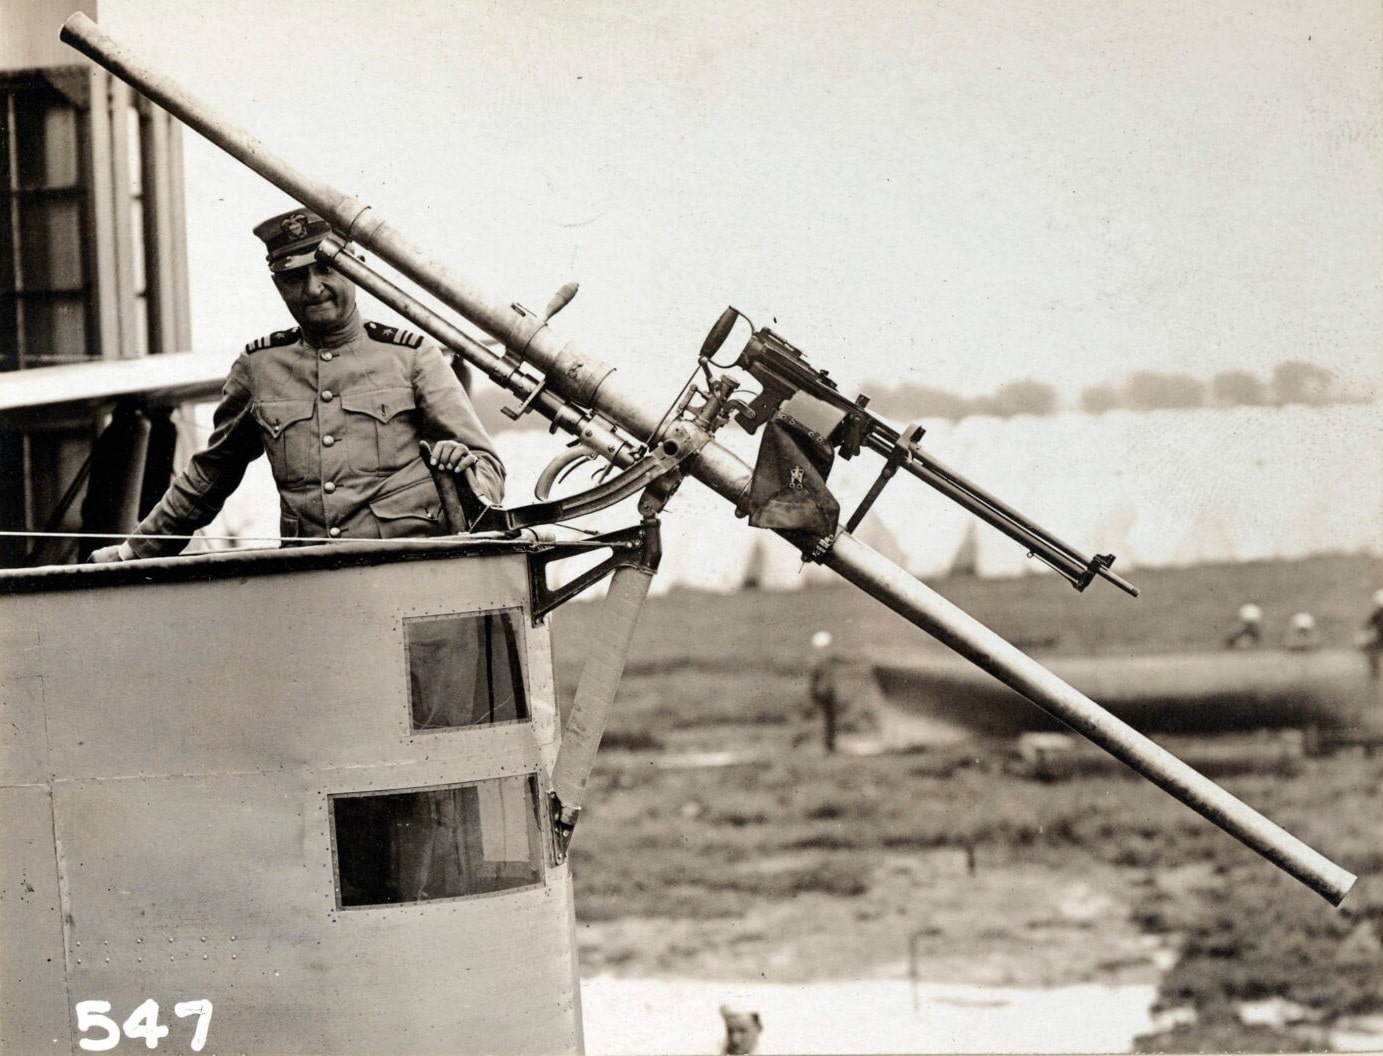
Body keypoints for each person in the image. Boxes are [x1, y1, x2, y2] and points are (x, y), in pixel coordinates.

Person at [91, 207, 503, 562]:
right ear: (276, 284)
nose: (313, 289)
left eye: (326, 269)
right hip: (310, 584)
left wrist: (462, 468)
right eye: (293, 277)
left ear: (354, 267)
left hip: (410, 576)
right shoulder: (259, 367)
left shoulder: (412, 357)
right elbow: (208, 478)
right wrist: (132, 552)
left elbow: (489, 472)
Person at [1359, 589, 1383, 679]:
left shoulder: (1379, 612)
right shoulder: (1378, 612)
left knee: (1373, 651)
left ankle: (1375, 671)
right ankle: (1375, 671)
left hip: (1380, 636)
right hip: (1380, 636)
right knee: (1372, 651)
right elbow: (1370, 622)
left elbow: (1370, 622)